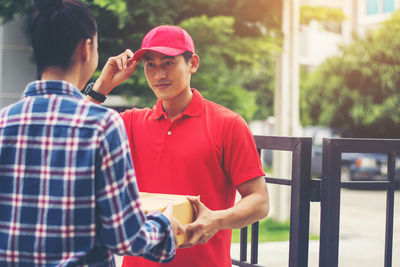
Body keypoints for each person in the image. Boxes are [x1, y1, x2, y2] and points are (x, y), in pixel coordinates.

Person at [0, 1, 183, 266]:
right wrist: (165, 224)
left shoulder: (4, 123)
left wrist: (98, 90)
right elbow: (126, 236)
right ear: (86, 48)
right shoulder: (103, 126)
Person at [85, 25, 270, 267]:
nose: (158, 74)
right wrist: (102, 87)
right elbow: (74, 136)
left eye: (168, 63)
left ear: (192, 63)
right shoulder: (130, 123)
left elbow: (259, 200)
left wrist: (217, 219)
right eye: (150, 64)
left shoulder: (228, 124)